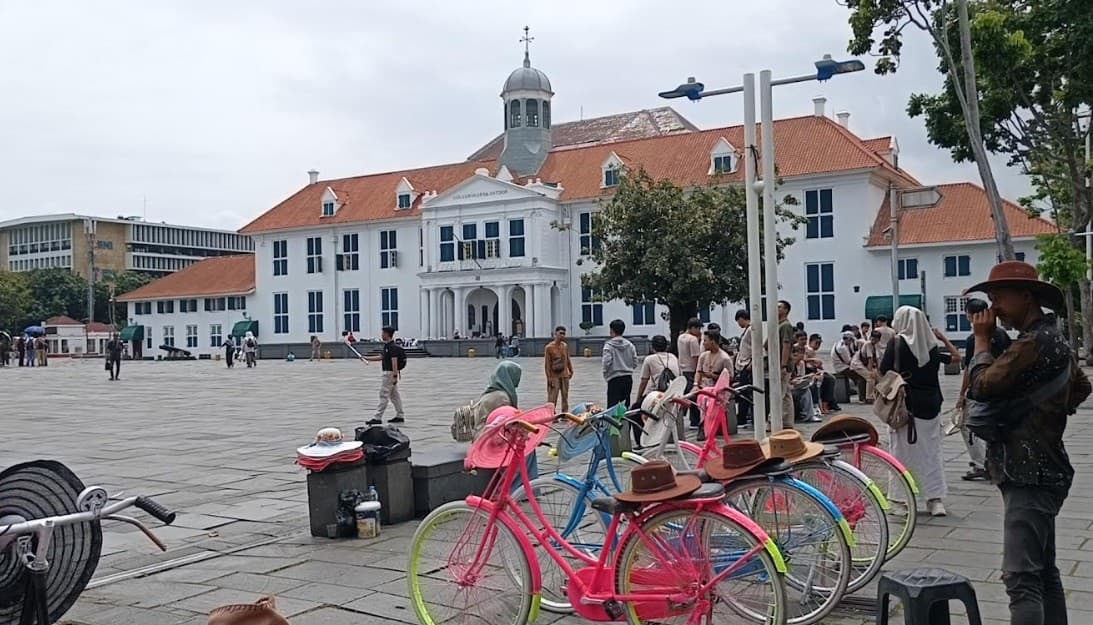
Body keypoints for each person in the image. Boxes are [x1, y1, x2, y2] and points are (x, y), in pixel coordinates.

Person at [965, 261, 1091, 625]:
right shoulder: (1053, 338)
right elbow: (1082, 386)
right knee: (1043, 572)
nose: (994, 308)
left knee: (1021, 580)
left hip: (1028, 470)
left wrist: (982, 340)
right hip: (1046, 466)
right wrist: (1046, 410)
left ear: (1025, 296)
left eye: (998, 298)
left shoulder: (1033, 342)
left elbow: (981, 386)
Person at [880, 305, 960, 517]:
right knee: (931, 453)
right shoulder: (931, 346)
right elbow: (955, 358)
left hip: (904, 407)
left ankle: (899, 500)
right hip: (931, 404)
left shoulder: (897, 343)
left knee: (901, 453)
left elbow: (883, 370)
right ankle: (934, 500)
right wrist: (942, 338)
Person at [955, 298, 1010, 482]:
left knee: (967, 425)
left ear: (970, 316)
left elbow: (969, 369)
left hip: (980, 389)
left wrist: (961, 394)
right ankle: (995, 462)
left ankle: (981, 464)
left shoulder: (974, 339)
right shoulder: (1002, 334)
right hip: (1001, 389)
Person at [603, 319, 638, 444]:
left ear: (612, 331)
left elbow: (606, 362)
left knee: (612, 407)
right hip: (627, 378)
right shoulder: (630, 345)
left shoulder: (609, 346)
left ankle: (612, 435)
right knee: (625, 406)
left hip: (614, 378)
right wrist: (628, 368)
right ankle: (625, 433)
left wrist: (606, 373)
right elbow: (635, 361)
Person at [365, 326, 406, 425]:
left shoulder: (392, 347)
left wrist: (395, 376)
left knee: (383, 395)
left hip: (389, 373)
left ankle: (377, 417)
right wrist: (366, 358)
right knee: (394, 396)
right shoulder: (388, 346)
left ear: (387, 334)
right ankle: (400, 415)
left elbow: (394, 362)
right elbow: (381, 357)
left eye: (383, 333)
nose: (382, 335)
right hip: (391, 373)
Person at [677, 317, 703, 428]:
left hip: (683, 370)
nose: (699, 331)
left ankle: (684, 415)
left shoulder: (680, 337)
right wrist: (699, 371)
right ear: (693, 328)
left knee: (687, 393)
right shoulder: (692, 339)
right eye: (698, 328)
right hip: (692, 370)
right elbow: (696, 357)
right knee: (694, 395)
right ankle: (695, 420)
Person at [775, 300, 796, 430]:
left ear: (786, 310)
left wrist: (783, 365)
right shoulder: (779, 324)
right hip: (780, 363)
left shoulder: (786, 326)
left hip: (783, 364)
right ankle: (787, 422)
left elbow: (786, 345)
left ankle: (774, 420)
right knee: (786, 393)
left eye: (779, 307)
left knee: (779, 393)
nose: (776, 309)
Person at [831, 330, 867, 404]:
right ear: (848, 339)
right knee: (861, 377)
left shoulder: (839, 343)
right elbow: (849, 362)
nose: (852, 342)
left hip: (840, 365)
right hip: (842, 367)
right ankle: (862, 398)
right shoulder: (842, 348)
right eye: (851, 340)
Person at [544, 326, 573, 412]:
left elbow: (567, 359)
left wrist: (571, 370)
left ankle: (565, 413)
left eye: (564, 334)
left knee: (565, 396)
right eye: (560, 333)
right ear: (555, 334)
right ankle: (551, 413)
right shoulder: (549, 347)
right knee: (552, 397)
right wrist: (549, 377)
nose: (562, 335)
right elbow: (547, 364)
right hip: (554, 375)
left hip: (564, 374)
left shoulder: (564, 346)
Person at [733, 309, 754, 427]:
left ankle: (743, 417)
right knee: (744, 391)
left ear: (741, 319)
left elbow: (755, 346)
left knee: (745, 392)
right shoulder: (747, 330)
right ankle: (743, 416)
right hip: (743, 363)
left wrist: (751, 363)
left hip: (747, 363)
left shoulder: (751, 330)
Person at [850, 330, 881, 402]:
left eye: (876, 339)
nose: (873, 340)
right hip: (857, 364)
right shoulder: (868, 344)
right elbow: (870, 359)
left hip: (864, 364)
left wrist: (878, 371)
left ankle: (877, 394)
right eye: (872, 338)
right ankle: (869, 397)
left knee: (878, 376)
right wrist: (870, 372)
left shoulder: (876, 346)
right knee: (870, 377)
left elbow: (877, 359)